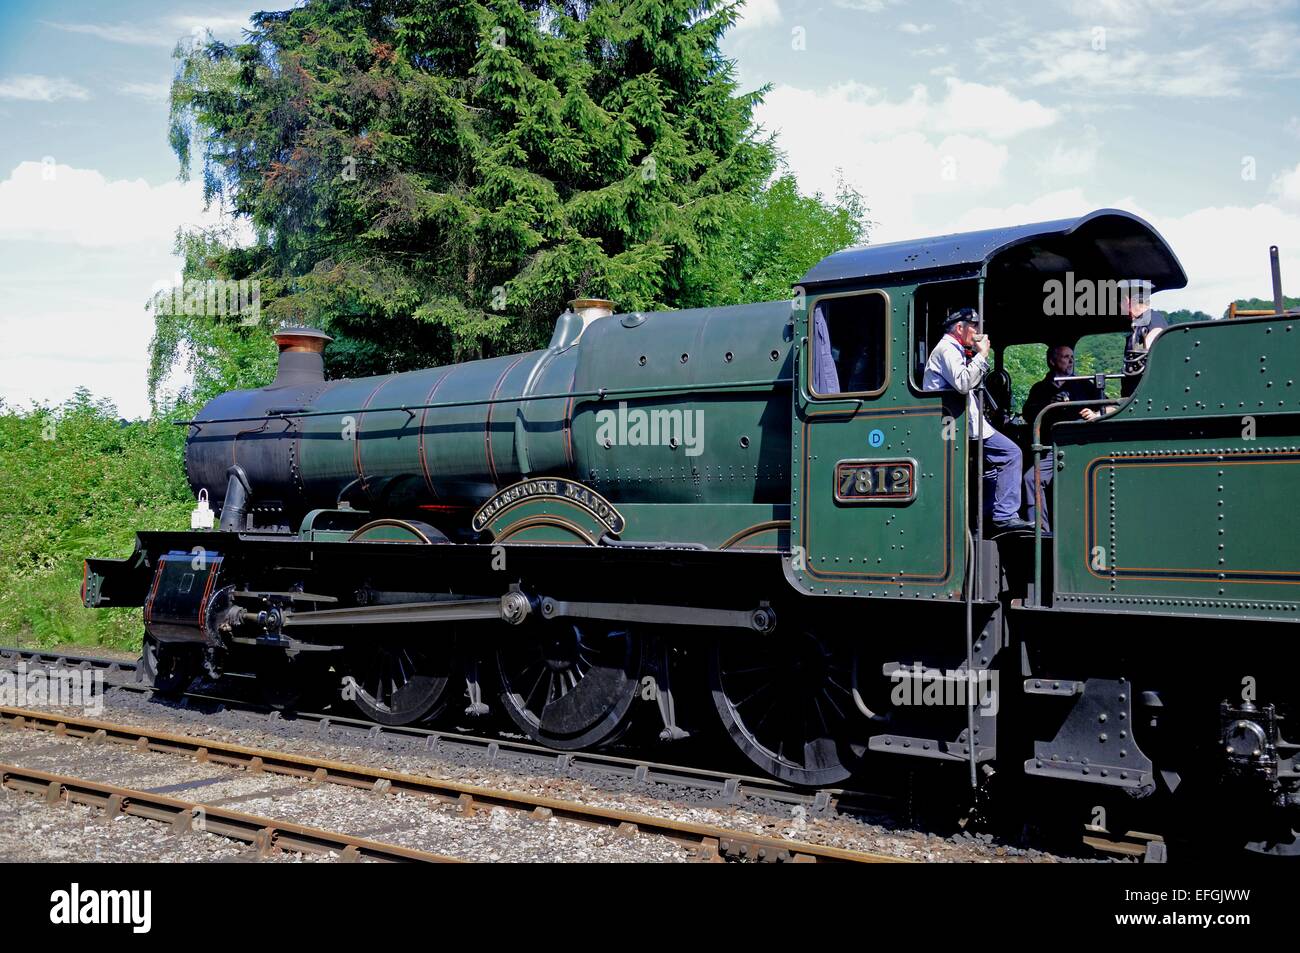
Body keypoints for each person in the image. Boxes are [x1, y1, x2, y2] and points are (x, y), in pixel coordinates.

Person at [923, 308, 1031, 532]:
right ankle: (1004, 515)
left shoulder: (956, 349)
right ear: (960, 328)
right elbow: (963, 383)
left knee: (992, 468)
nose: (979, 332)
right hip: (954, 424)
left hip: (964, 424)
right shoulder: (946, 349)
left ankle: (988, 515)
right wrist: (981, 355)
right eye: (975, 327)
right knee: (1011, 454)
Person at [1022, 344, 1103, 533]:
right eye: (1066, 357)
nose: (1071, 361)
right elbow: (1028, 414)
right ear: (1052, 361)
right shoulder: (1040, 388)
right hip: (1052, 447)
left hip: (1081, 445)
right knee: (1030, 479)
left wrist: (1096, 414)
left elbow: (1111, 407)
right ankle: (1040, 530)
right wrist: (1047, 405)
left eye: (1072, 357)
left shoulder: (1084, 384)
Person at [1119, 279, 1168, 398]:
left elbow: (1153, 348)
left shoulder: (1153, 320)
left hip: (1143, 397)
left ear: (1127, 301)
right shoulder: (1140, 325)